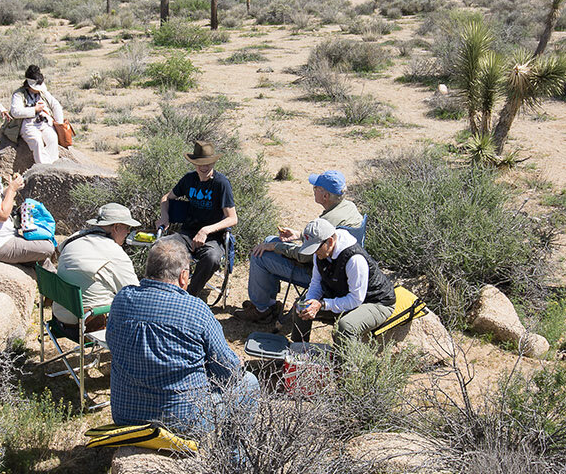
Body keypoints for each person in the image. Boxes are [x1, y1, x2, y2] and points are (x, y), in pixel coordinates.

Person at [106, 236, 259, 439]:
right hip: (183, 422)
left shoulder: (122, 300)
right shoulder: (196, 310)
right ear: (184, 276)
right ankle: (233, 461)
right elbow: (227, 372)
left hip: (126, 415)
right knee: (248, 382)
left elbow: (112, 342)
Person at [242, 169, 364, 323]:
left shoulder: (328, 220)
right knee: (269, 240)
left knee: (260, 256)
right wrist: (299, 235)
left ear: (325, 196)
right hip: (337, 271)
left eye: (316, 188)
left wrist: (275, 247)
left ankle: (262, 310)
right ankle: (269, 303)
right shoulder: (348, 207)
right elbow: (327, 241)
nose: (313, 191)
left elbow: (305, 256)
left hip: (321, 277)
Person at [288, 218, 398, 342]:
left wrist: (323, 304)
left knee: (346, 326)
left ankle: (344, 361)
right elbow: (316, 283)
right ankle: (297, 354)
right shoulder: (320, 253)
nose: (313, 253)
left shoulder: (354, 259)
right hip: (344, 294)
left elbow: (356, 299)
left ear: (329, 242)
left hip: (376, 302)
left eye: (316, 248)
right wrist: (309, 303)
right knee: (302, 308)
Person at [160, 141, 238, 299]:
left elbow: (232, 218)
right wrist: (164, 216)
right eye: (200, 163)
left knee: (212, 258)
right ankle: (164, 292)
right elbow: (166, 197)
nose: (204, 167)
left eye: (208, 163)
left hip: (213, 238)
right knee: (159, 247)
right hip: (187, 234)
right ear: (194, 163)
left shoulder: (221, 184)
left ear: (214, 162)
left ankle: (188, 296)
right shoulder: (189, 180)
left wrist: (206, 230)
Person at [51, 202, 141, 336]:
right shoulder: (114, 253)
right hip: (89, 326)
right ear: (116, 227)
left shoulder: (74, 238)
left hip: (60, 319)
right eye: (127, 227)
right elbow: (136, 296)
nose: (128, 232)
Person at [8, 64, 66, 167]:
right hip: (28, 124)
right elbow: (15, 112)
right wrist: (34, 110)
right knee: (37, 142)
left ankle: (53, 165)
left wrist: (59, 123)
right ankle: (43, 167)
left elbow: (55, 105)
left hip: (44, 122)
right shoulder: (18, 94)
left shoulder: (43, 93)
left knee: (52, 138)